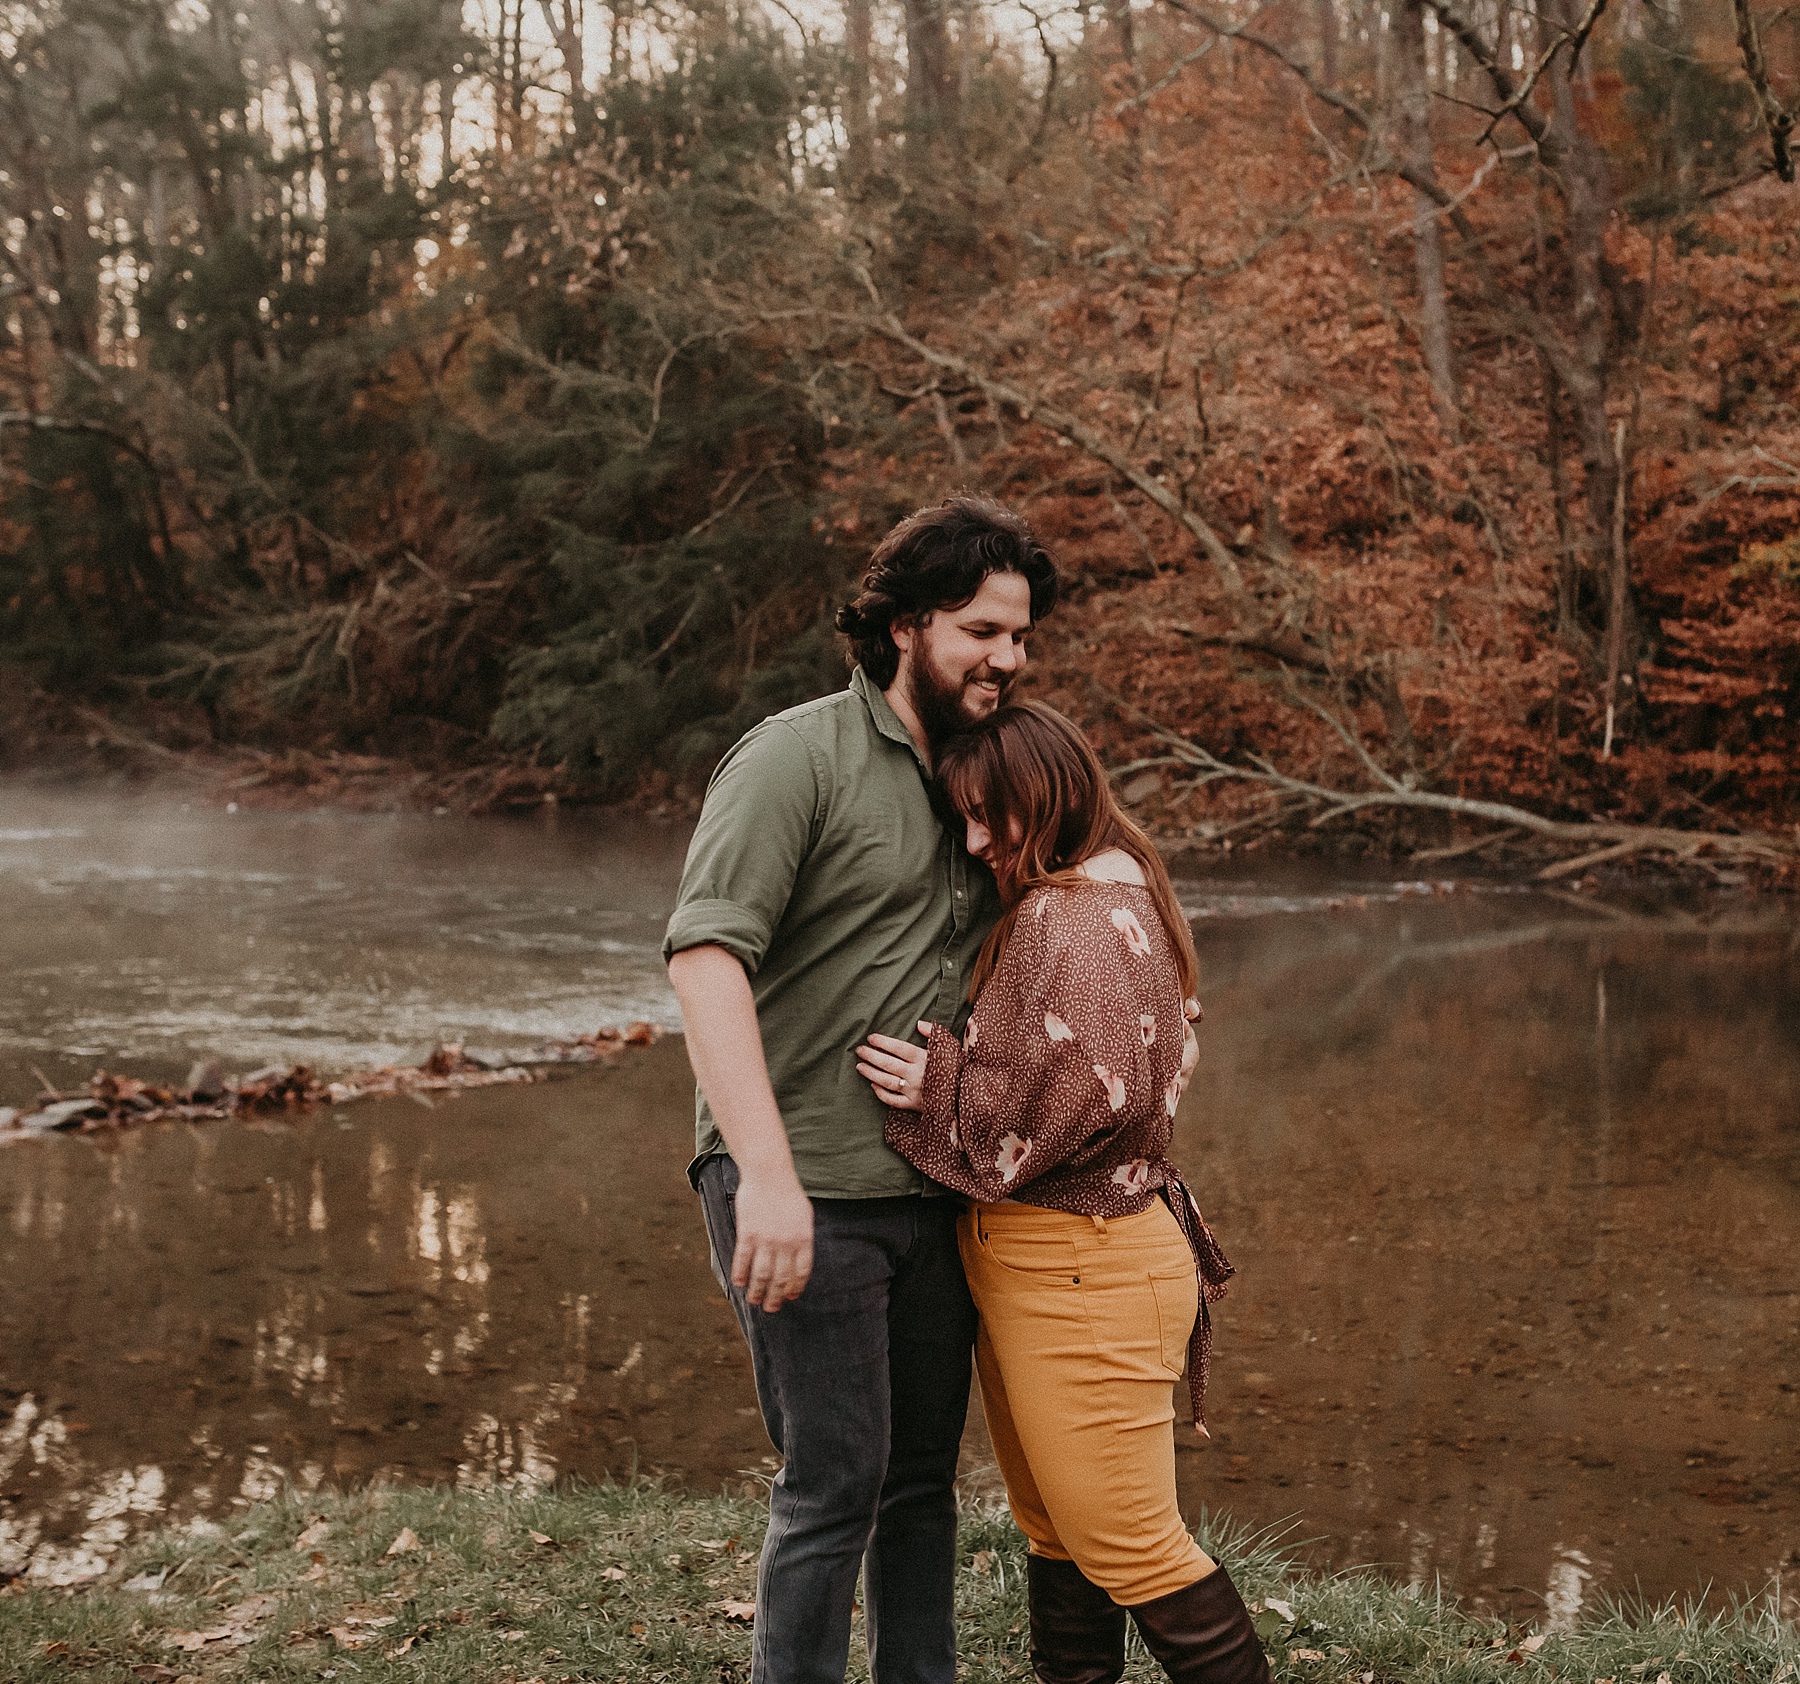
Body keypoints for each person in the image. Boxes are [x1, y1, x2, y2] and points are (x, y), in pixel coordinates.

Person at [663, 495, 1060, 1684]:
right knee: (834, 1482)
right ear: (903, 625)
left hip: (940, 1191)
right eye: (983, 631)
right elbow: (704, 959)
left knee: (921, 1489)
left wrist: (1149, 1003)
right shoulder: (796, 758)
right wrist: (768, 1182)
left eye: (1021, 636)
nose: (1009, 658)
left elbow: (1083, 901)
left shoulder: (994, 771)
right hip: (802, 1187)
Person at [854, 700, 1271, 1684]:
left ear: (1043, 798)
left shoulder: (1067, 916)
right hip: (1056, 1262)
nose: (973, 841)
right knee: (1056, 1528)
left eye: (987, 816)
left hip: (1085, 1268)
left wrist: (942, 1081)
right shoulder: (1115, 887)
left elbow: (1083, 1096)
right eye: (960, 818)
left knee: (1130, 1540)